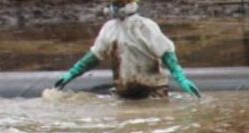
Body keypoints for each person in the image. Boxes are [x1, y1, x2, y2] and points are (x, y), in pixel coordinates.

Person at [53, 0, 200, 99]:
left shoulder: (145, 26)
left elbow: (166, 52)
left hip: (153, 93)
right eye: (113, 4)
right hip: (123, 93)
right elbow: (95, 55)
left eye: (119, 4)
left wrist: (181, 78)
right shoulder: (109, 29)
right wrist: (72, 73)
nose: (113, 8)